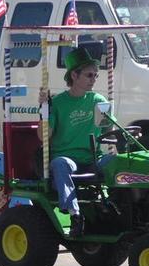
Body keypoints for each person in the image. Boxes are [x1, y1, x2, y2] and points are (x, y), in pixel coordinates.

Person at [38, 48, 113, 237]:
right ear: (74, 75)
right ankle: (75, 215)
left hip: (93, 158)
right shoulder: (58, 103)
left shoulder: (98, 100)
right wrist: (43, 109)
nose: (94, 79)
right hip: (67, 158)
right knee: (61, 163)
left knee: (118, 161)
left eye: (95, 75)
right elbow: (43, 136)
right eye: (89, 75)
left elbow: (109, 132)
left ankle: (115, 208)